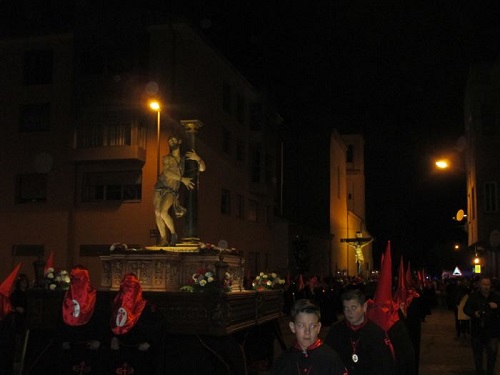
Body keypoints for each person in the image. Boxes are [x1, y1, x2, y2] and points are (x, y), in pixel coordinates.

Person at [324, 289, 396, 375]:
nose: (349, 312)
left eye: (353, 308)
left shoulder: (376, 334)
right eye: (346, 308)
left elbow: (385, 366)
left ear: (364, 307)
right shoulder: (335, 331)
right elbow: (327, 360)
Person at [153, 136, 205, 246]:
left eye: (173, 139)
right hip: (160, 186)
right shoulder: (167, 158)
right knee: (157, 213)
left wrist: (198, 158)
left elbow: (202, 169)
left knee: (163, 212)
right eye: (169, 140)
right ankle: (163, 239)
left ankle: (173, 234)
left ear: (179, 142)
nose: (171, 141)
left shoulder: (184, 159)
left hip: (171, 190)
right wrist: (183, 179)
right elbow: (166, 172)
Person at [273, 299, 347, 375]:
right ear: (292, 327)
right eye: (301, 326)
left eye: (312, 326)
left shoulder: (331, 358)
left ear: (318, 327)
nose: (307, 332)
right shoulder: (283, 361)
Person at [463, 275, 500, 375]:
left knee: (492, 355)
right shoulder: (474, 296)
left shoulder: (496, 296)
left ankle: (490, 372)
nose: (486, 287)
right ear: (480, 285)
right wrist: (474, 313)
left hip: (492, 331)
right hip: (477, 330)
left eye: (488, 284)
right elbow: (466, 309)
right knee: (478, 356)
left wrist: (497, 307)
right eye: (484, 284)